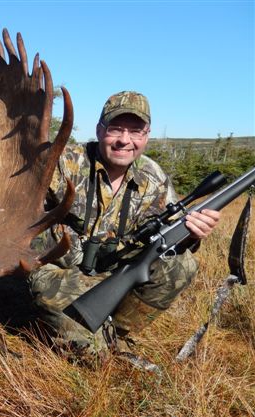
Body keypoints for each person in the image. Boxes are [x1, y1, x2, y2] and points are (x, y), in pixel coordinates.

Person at [28, 91, 221, 362]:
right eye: (115, 129)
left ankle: (119, 333)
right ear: (99, 130)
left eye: (136, 131)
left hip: (117, 272)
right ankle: (97, 339)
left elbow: (169, 237)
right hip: (61, 274)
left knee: (182, 265)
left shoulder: (154, 177)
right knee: (94, 358)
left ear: (147, 135)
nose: (124, 140)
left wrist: (193, 234)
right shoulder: (62, 162)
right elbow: (18, 202)